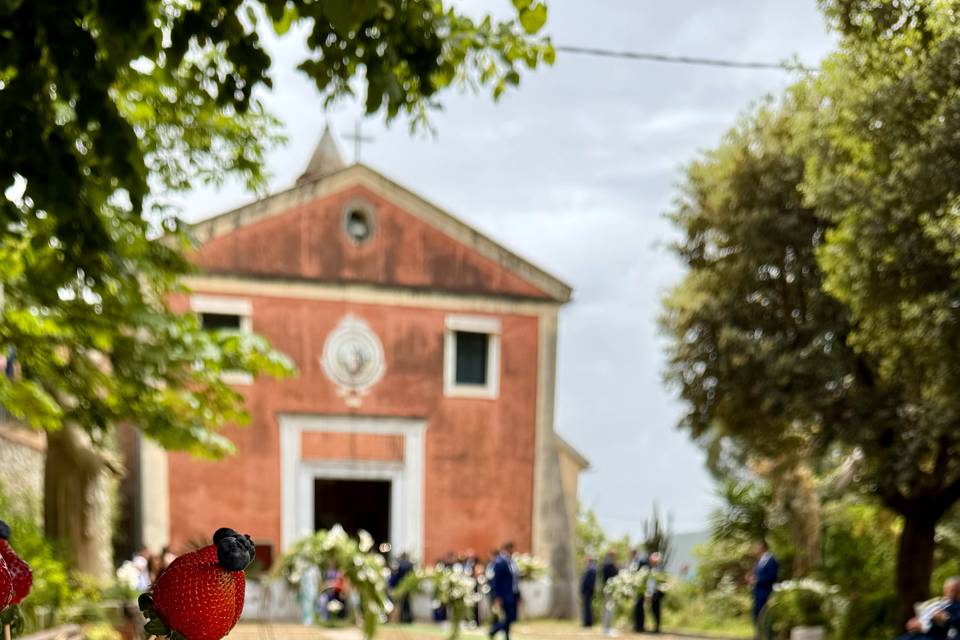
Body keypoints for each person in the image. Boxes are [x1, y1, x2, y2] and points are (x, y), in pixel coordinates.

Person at [895, 577, 960, 640]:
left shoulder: (956, 606)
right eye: (947, 589)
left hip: (932, 636)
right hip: (917, 633)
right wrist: (915, 622)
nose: (948, 593)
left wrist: (923, 628)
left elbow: (950, 626)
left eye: (953, 590)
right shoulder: (938, 602)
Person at [489, 541, 520, 640]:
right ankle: (494, 630)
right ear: (507, 549)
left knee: (512, 617)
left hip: (513, 593)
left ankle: (506, 635)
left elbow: (515, 579)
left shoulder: (512, 562)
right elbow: (496, 581)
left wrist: (519, 594)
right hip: (504, 595)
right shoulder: (500, 562)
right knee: (509, 616)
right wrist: (497, 596)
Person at [748, 540, 779, 632]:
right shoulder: (760, 560)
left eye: (757, 547)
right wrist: (751, 578)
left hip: (766, 592)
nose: (755, 549)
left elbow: (773, 576)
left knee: (765, 615)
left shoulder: (771, 560)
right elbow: (758, 574)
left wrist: (758, 580)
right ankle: (759, 634)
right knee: (756, 614)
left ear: (762, 548)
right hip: (757, 592)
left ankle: (767, 635)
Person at [636, 552, 666, 634]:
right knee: (640, 607)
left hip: (656, 593)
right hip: (645, 591)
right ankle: (639, 626)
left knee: (656, 610)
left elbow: (663, 581)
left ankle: (657, 627)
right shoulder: (646, 569)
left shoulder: (660, 569)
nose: (654, 562)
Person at [388, 552, 415, 624]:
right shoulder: (410, 565)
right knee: (407, 603)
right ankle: (407, 618)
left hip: (399, 586)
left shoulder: (399, 564)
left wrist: (391, 585)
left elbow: (395, 576)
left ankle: (400, 619)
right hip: (408, 587)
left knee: (398, 604)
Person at [600, 550, 619, 636]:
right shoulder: (610, 564)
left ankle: (606, 628)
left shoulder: (604, 563)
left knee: (606, 609)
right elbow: (613, 577)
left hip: (606, 589)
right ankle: (607, 629)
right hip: (610, 590)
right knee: (609, 609)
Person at [580, 557, 597, 628]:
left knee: (587, 607)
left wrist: (586, 589)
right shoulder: (590, 568)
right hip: (587, 591)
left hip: (588, 591)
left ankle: (588, 623)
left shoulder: (591, 569)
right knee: (587, 607)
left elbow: (589, 582)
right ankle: (587, 622)